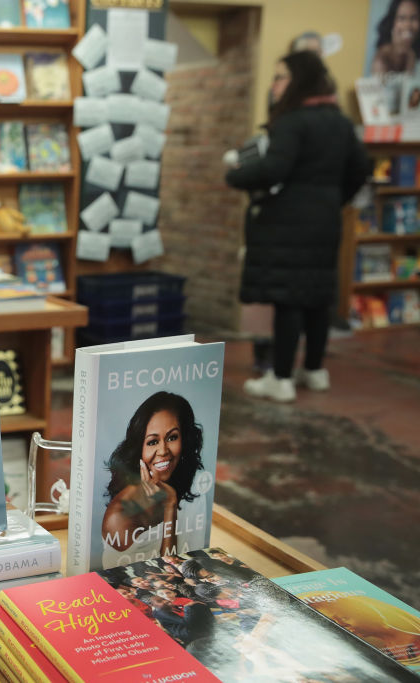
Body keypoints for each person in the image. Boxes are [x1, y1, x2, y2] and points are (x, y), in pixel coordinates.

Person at [226, 51, 368, 402]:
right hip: (325, 222)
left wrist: (235, 175)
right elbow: (361, 167)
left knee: (287, 300)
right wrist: (335, 199)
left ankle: (282, 377)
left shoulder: (293, 121)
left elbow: (274, 169)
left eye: (281, 77)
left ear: (299, 80)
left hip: (289, 225)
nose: (275, 85)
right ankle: (315, 370)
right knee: (318, 298)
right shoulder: (339, 121)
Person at [101, 391, 207, 567]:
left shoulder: (195, 486)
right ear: (139, 450)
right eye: (152, 442)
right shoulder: (118, 518)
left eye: (172, 437)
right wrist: (169, 506)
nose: (164, 451)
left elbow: (195, 562)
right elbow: (167, 575)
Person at [372, 0, 420, 76]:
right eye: (402, 18)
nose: (407, 25)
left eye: (414, 18)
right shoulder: (383, 55)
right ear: (392, 22)